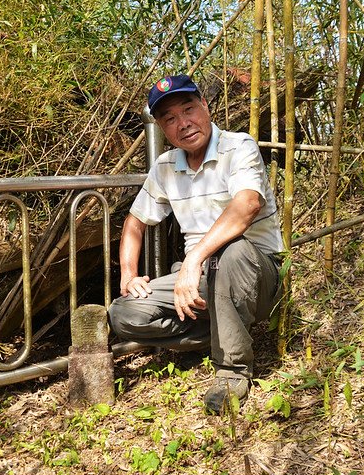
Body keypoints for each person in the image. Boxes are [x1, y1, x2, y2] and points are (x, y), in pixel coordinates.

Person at [108, 74, 285, 415]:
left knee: (230, 251)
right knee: (125, 313)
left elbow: (247, 205)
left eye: (188, 109)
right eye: (170, 119)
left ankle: (232, 371)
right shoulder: (165, 167)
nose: (183, 124)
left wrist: (194, 259)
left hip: (255, 273)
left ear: (205, 105)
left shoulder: (238, 146)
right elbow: (134, 222)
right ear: (161, 128)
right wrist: (128, 275)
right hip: (203, 278)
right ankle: (219, 331)